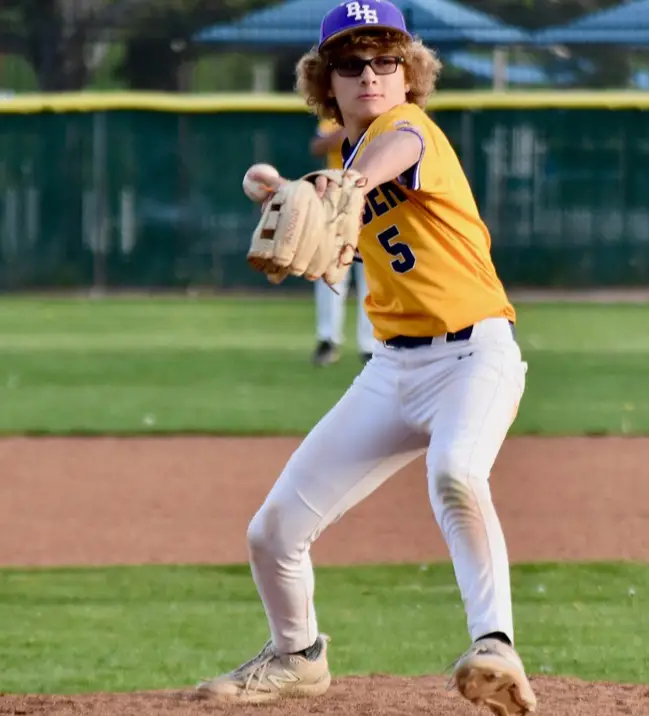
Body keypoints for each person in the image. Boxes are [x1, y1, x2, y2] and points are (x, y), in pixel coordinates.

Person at [195, 2, 536, 715]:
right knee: (273, 533)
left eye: (388, 60)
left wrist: (341, 183)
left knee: (456, 473)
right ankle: (296, 656)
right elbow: (345, 200)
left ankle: (496, 646)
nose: (372, 75)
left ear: (410, 74)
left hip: (475, 356)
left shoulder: (409, 132)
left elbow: (395, 151)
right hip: (392, 370)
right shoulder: (346, 164)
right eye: (352, 64)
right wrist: (296, 190)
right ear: (326, 83)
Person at [309, 116, 375, 366]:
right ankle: (328, 339)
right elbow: (317, 145)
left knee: (371, 275)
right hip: (337, 201)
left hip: (371, 201)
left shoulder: (381, 116)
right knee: (331, 270)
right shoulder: (336, 117)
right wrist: (350, 130)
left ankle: (370, 345)